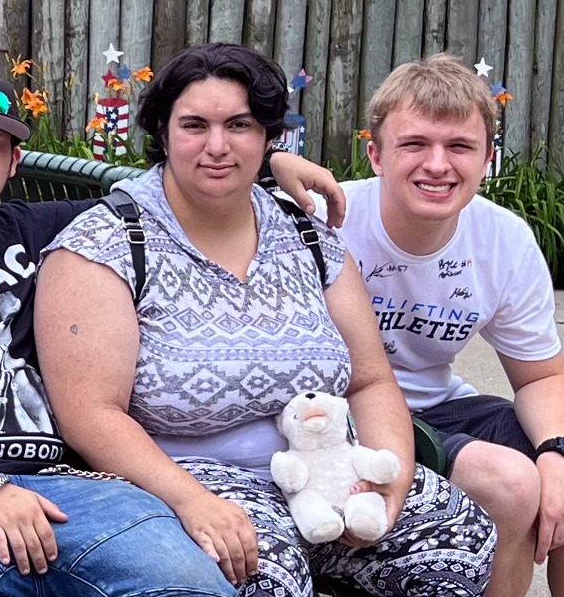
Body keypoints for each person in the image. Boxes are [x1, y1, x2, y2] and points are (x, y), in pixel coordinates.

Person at [0, 65, 348, 597]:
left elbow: (177, 187)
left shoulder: (54, 228)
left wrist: (271, 162)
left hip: (77, 491)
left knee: (190, 585)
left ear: (13, 162)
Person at [36, 43, 496, 597]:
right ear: (161, 132)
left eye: (240, 125)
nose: (217, 146)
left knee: (458, 535)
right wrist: (191, 500)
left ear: (267, 137)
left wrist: (387, 481)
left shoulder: (306, 236)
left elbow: (370, 378)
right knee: (267, 573)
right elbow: (90, 416)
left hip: (324, 465)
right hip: (183, 483)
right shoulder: (106, 244)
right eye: (194, 125)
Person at [338, 55, 564, 597]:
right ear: (376, 155)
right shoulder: (328, 218)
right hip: (345, 410)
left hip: (440, 405)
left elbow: (541, 377)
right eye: (415, 144)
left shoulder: (503, 239)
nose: (437, 164)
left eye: (459, 147)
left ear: (488, 160)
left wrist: (558, 452)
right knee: (508, 480)